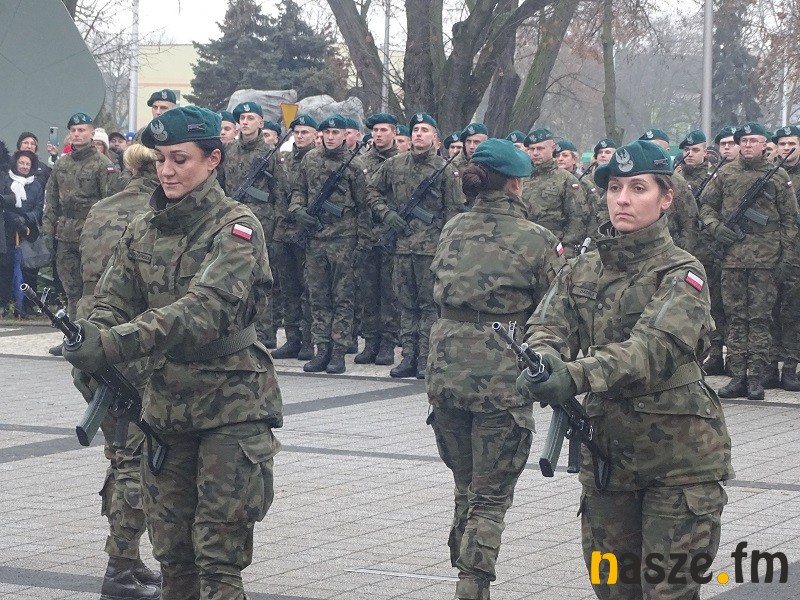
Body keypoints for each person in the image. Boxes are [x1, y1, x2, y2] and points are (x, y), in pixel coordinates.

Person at [62, 106, 282, 600]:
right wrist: (90, 340)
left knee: (218, 561)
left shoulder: (236, 227)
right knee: (173, 559)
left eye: (180, 159)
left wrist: (114, 343)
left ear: (212, 160)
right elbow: (112, 300)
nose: (167, 170)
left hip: (231, 406)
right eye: (161, 159)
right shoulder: (143, 228)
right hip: (165, 407)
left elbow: (204, 310)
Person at [518, 140, 734, 600]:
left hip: (679, 461)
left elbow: (650, 350)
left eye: (638, 188)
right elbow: (546, 324)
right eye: (615, 188)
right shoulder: (583, 268)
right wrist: (544, 358)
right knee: (612, 586)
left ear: (666, 197)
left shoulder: (682, 272)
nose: (622, 199)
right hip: (607, 456)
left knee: (668, 591)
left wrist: (575, 375)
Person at [426, 138, 564, 600]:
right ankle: (472, 584)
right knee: (489, 496)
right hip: (502, 378)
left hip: (445, 372)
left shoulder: (453, 228)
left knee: (465, 485)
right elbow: (555, 309)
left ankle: (463, 559)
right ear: (517, 184)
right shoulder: (536, 238)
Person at [76, 143, 162, 600]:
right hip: (133, 345)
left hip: (91, 339)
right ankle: (120, 570)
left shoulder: (100, 209)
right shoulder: (158, 215)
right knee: (136, 458)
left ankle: (129, 558)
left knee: (120, 453)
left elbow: (76, 274)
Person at [700, 122, 800, 400]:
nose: (747, 145)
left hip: (766, 261)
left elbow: (790, 221)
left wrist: (786, 258)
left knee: (759, 320)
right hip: (732, 259)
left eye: (753, 140)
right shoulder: (726, 173)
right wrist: (715, 227)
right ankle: (737, 376)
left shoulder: (777, 176)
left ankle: (756, 377)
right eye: (743, 141)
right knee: (735, 320)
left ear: (764, 144)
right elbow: (706, 206)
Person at [367, 112, 465, 378]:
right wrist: (386, 214)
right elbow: (372, 191)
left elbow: (453, 211)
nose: (419, 134)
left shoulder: (445, 170)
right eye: (415, 130)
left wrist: (447, 248)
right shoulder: (394, 165)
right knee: (406, 305)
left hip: (431, 250)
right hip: (401, 247)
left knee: (428, 306)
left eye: (425, 130)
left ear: (435, 137)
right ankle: (408, 356)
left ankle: (425, 357)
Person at [288, 114, 369, 374]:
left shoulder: (354, 165)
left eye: (336, 133)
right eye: (327, 133)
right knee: (318, 297)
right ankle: (321, 349)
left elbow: (364, 207)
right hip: (315, 239)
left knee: (343, 298)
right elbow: (298, 190)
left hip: (344, 239)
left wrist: (362, 243)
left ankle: (338, 353)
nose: (331, 137)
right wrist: (298, 209)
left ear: (345, 135)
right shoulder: (310, 159)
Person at [42, 112, 117, 355]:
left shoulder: (103, 164)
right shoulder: (62, 164)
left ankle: (92, 337)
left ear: (92, 133)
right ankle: (71, 337)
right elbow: (51, 199)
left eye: (82, 130)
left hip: (93, 235)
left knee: (92, 289)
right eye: (73, 130)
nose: (77, 134)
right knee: (71, 290)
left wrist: (107, 236)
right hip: (66, 234)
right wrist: (47, 231)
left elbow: (110, 203)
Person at [223, 101, 289, 349]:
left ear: (260, 122)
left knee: (260, 278)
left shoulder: (270, 153)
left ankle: (264, 332)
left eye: (250, 118)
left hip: (262, 224)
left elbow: (281, 192)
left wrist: (279, 228)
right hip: (232, 220)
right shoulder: (229, 150)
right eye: (242, 118)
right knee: (232, 276)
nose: (245, 122)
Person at [352, 112, 401, 366]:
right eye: (376, 130)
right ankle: (370, 342)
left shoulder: (401, 162)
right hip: (365, 235)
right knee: (368, 293)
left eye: (384, 130)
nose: (379, 135)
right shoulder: (360, 161)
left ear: (394, 133)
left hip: (391, 236)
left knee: (390, 293)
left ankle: (387, 344)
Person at [271, 114, 318, 361]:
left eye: (304, 132)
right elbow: (277, 192)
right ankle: (292, 339)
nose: (300, 136)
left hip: (306, 233)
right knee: (288, 289)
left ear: (315, 135)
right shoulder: (285, 159)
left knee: (307, 289)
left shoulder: (317, 159)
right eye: (297, 132)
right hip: (283, 232)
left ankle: (308, 340)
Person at [522, 127, 590, 257]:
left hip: (552, 247)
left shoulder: (566, 179)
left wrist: (566, 249)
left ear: (552, 148)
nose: (535, 153)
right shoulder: (521, 178)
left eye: (540, 148)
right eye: (532, 149)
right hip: (523, 246)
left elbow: (577, 217)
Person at [768, 125, 800, 390]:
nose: (787, 148)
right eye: (783, 144)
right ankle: (769, 366)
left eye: (792, 144)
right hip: (768, 252)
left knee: (792, 312)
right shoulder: (769, 174)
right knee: (769, 310)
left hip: (796, 254)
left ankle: (790, 368)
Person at [0, 149, 45, 317]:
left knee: (29, 270)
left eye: (28, 164)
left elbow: (39, 208)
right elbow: (4, 204)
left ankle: (27, 305)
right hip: (8, 231)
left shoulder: (36, 185)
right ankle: (5, 303)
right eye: (22, 163)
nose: (25, 166)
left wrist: (25, 219)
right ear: (16, 163)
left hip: (28, 231)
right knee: (6, 268)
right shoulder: (6, 180)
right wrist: (15, 220)